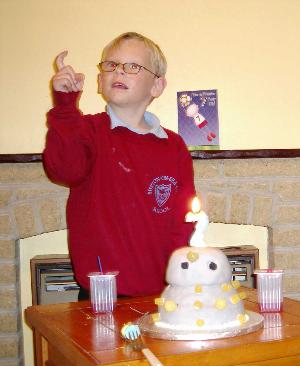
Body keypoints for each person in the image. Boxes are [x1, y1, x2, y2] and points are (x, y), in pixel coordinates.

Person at [43, 32, 196, 298]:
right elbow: (64, 170)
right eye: (111, 65)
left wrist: (180, 276)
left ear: (157, 86)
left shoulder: (173, 146)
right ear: (100, 81)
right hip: (101, 293)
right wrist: (66, 108)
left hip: (163, 292)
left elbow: (183, 221)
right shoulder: (86, 130)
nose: (119, 72)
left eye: (132, 66)